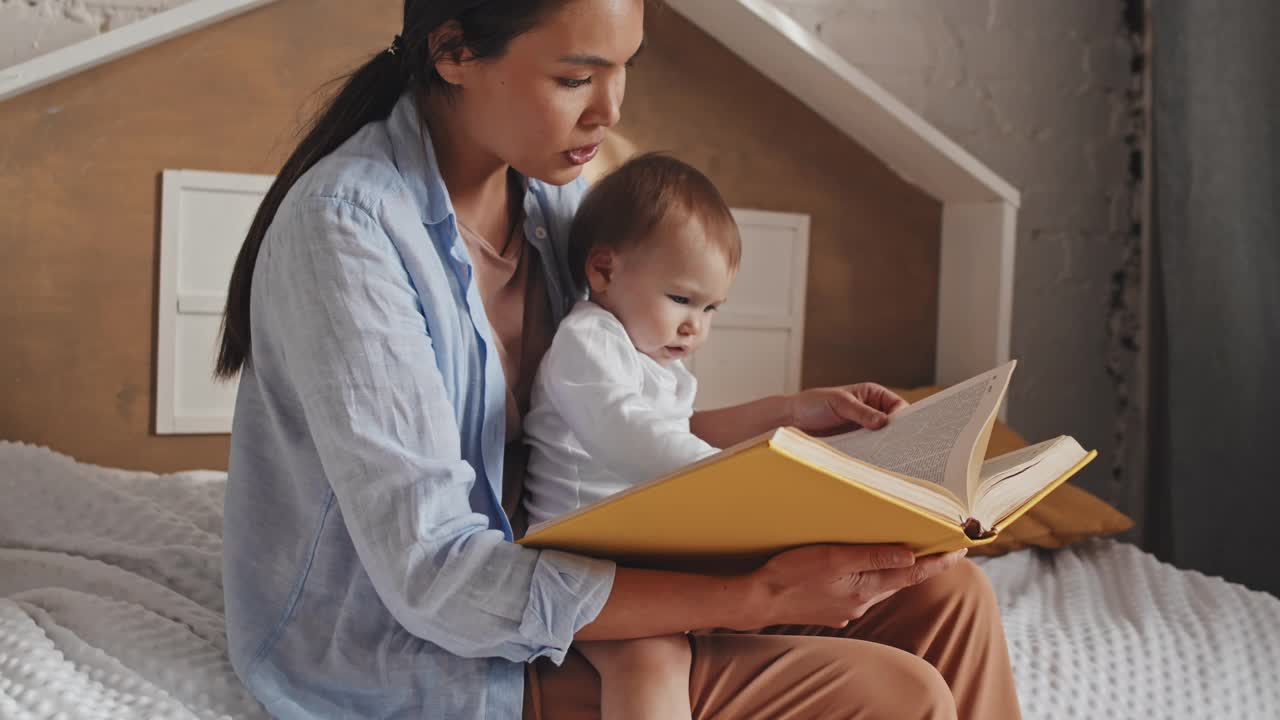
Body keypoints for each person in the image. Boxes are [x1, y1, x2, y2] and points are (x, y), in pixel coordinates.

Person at [216, 1, 1023, 718]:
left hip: (572, 567)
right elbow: (436, 577)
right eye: (576, 77)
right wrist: (749, 596)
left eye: (623, 68)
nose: (608, 111)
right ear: (454, 51)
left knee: (947, 595)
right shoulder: (348, 231)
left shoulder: (560, 208)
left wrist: (800, 427)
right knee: (899, 696)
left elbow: (612, 427)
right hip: (420, 646)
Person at [521, 153, 740, 720]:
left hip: (636, 552)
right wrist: (732, 478)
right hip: (578, 560)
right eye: (682, 299)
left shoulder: (665, 368)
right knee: (652, 658)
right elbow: (629, 434)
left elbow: (673, 438)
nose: (697, 327)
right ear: (603, 271)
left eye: (712, 308)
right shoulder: (586, 340)